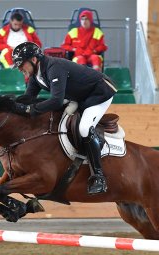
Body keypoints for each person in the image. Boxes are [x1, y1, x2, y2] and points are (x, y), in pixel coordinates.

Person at [12, 42, 117, 195]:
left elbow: (55, 100)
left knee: (84, 128)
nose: (20, 69)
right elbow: (28, 98)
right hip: (80, 96)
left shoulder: (54, 67)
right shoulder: (36, 75)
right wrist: (10, 105)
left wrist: (30, 110)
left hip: (100, 92)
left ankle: (99, 177)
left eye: (21, 65)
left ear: (34, 60)